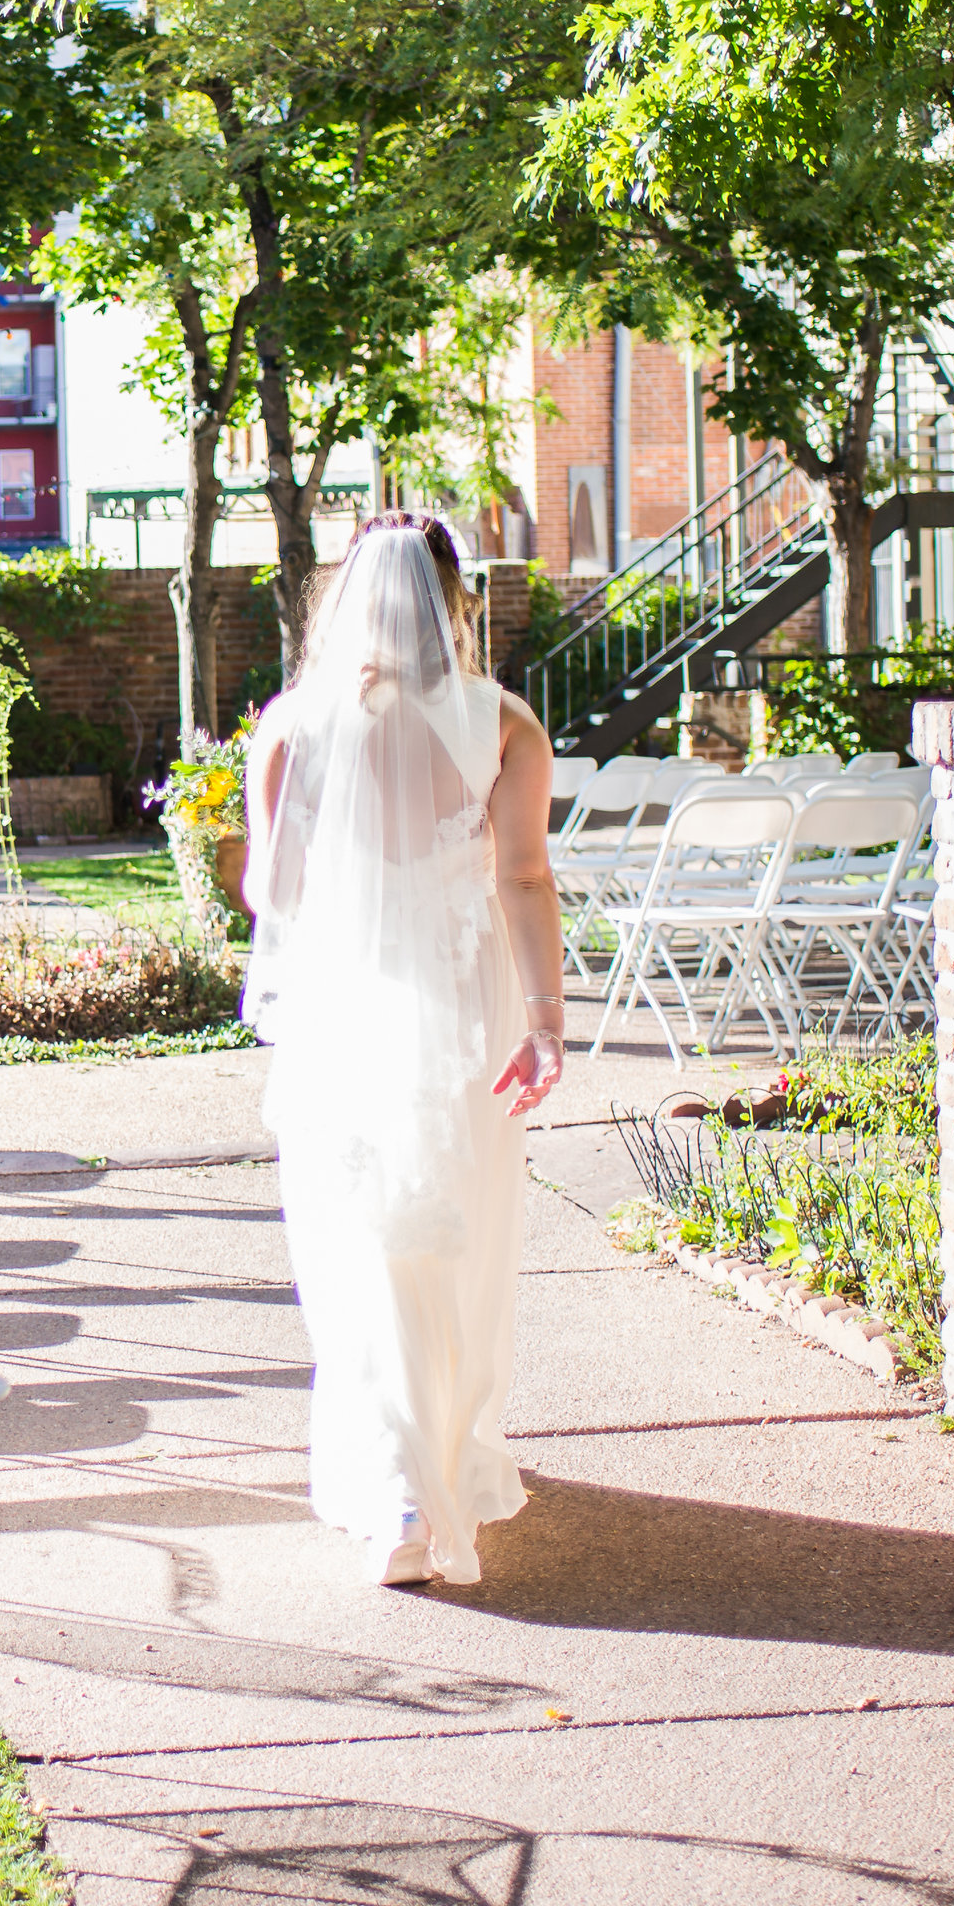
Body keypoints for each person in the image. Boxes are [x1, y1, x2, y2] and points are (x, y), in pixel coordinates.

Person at [242, 512, 569, 1585]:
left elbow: (271, 894)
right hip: (465, 1011)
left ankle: (398, 1499)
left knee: (360, 1241)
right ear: (453, 594)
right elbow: (523, 876)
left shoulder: (294, 725)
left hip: (346, 1009)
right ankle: (435, 1475)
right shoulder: (504, 722)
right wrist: (545, 1022)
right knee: (451, 1243)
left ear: (349, 597)